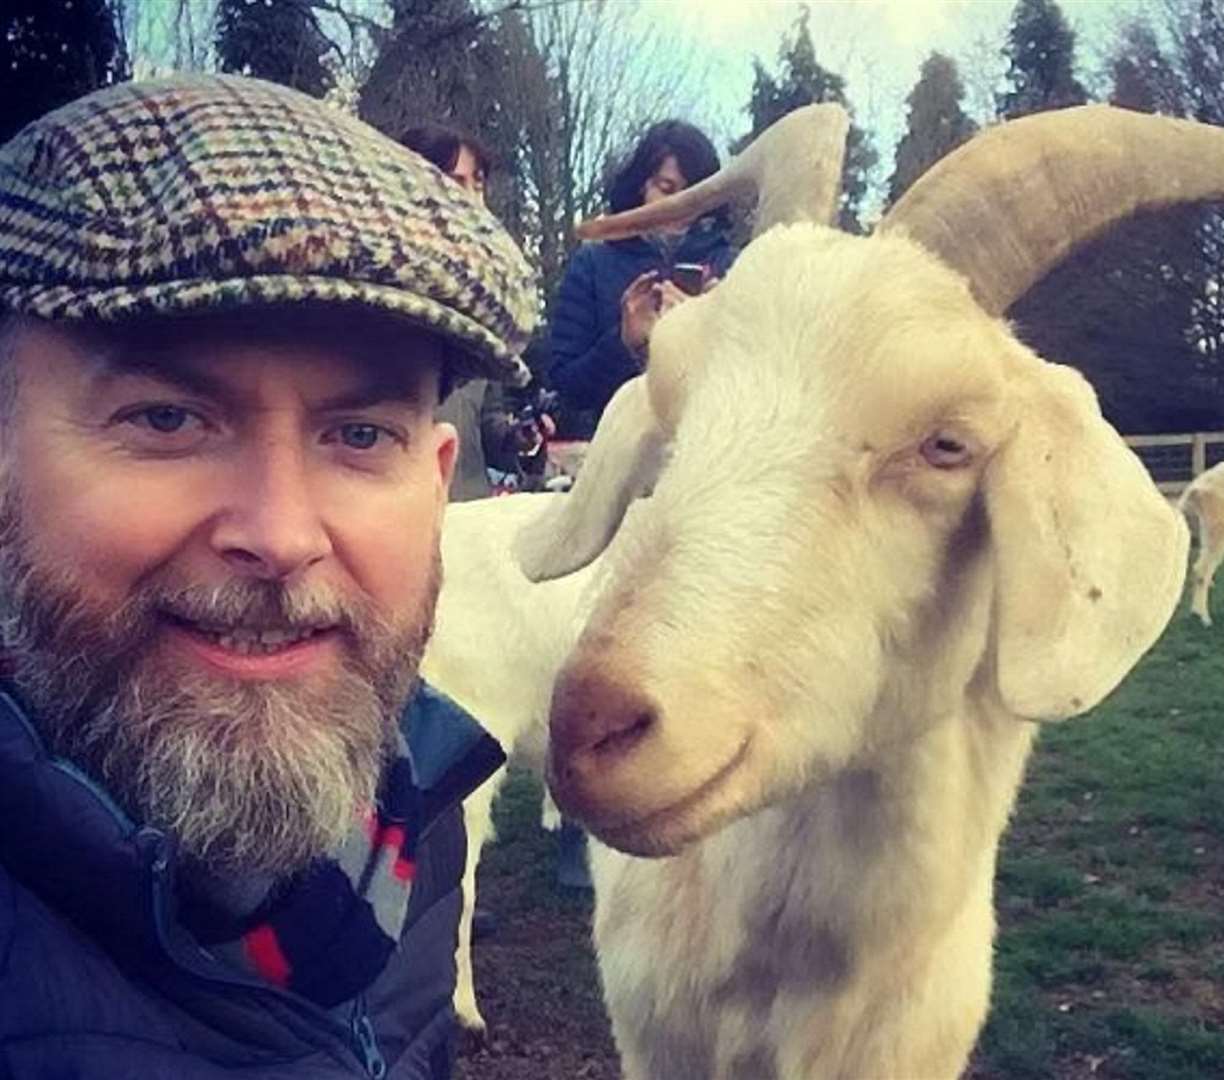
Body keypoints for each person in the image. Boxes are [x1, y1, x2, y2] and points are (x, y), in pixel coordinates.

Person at [0, 74, 538, 1078]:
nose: (283, 534)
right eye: (167, 419)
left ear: (436, 489)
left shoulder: (406, 834)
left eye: (360, 433)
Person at [397, 123, 555, 495]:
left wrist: (521, 441)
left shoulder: (485, 305)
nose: (471, 199)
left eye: (478, 183)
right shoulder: (377, 296)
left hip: (469, 522)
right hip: (392, 523)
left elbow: (487, 423)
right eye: (453, 182)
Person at [549, 119, 736, 426]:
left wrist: (719, 326)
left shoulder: (733, 267)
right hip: (620, 456)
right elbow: (566, 387)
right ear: (641, 185)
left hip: (710, 452)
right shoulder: (593, 264)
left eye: (695, 193)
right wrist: (624, 342)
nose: (680, 204)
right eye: (667, 189)